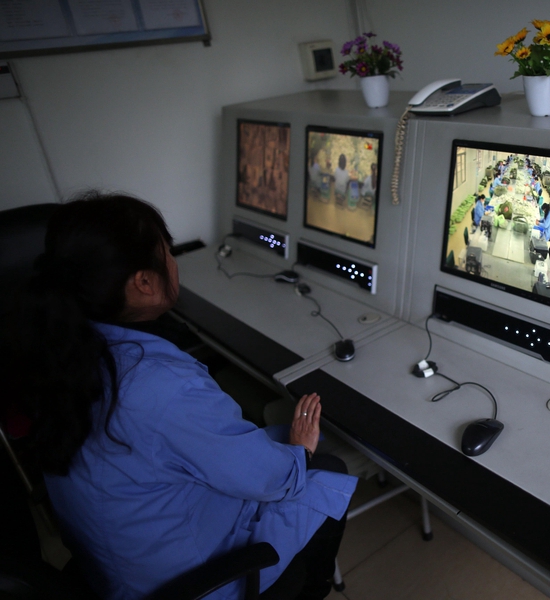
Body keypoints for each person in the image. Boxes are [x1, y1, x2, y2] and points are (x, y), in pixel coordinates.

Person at [1, 193, 356, 600]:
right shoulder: (158, 386)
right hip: (186, 583)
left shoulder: (57, 347)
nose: (173, 260)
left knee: (272, 437)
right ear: (144, 282)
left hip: (117, 565)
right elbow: (272, 478)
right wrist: (302, 453)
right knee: (326, 468)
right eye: (167, 252)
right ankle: (309, 589)